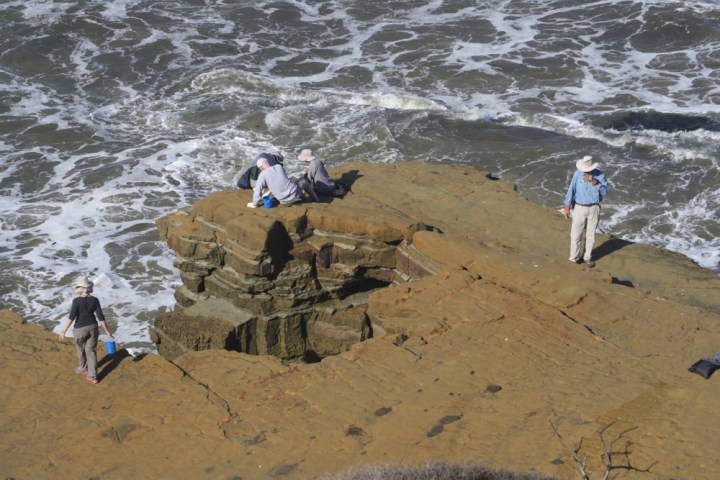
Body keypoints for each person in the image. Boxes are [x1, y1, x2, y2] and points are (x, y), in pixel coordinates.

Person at [58, 275, 113, 384]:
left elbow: (72, 317)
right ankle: (93, 376)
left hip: (79, 329)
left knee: (80, 349)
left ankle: (83, 368)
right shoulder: (95, 300)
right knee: (91, 351)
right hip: (93, 327)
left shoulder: (76, 301)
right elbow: (101, 316)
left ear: (79, 289)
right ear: (89, 288)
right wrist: (107, 330)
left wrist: (63, 331)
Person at [562, 155, 609, 268]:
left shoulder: (600, 175)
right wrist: (567, 205)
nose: (584, 172)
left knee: (590, 235)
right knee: (575, 234)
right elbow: (571, 189)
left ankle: (587, 257)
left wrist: (594, 181)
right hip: (579, 207)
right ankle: (574, 257)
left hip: (594, 208)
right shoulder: (577, 174)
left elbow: (604, 191)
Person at [246, 156, 318, 208]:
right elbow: (283, 179)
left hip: (283, 201)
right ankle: (316, 199)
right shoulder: (278, 166)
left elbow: (258, 189)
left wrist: (255, 203)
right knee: (303, 181)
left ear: (261, 168)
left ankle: (304, 198)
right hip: (295, 195)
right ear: (267, 163)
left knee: (293, 185)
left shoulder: (262, 175)